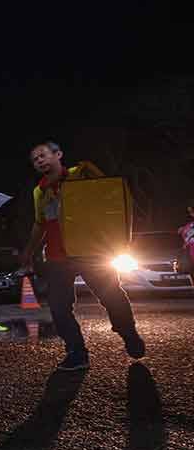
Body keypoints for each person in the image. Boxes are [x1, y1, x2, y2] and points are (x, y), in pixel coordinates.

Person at [19, 139, 145, 370]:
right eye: (35, 159)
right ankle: (76, 352)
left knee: (111, 296)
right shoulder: (39, 191)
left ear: (58, 155)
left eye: (43, 155)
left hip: (90, 250)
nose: (39, 161)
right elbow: (40, 224)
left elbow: (110, 194)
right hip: (57, 257)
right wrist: (28, 251)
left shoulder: (80, 175)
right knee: (58, 307)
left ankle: (128, 332)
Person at [178, 205, 194, 273]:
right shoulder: (189, 224)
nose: (191, 213)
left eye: (192, 211)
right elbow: (182, 232)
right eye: (190, 212)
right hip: (191, 250)